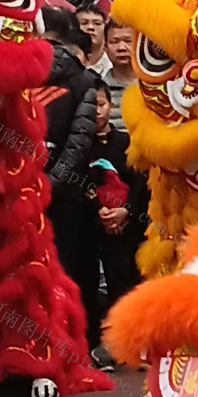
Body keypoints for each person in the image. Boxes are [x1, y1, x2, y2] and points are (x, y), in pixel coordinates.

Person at [36, 8, 99, 326]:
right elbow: (79, 142)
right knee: (61, 273)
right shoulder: (85, 80)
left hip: (17, 193)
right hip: (65, 197)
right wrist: (53, 183)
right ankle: (61, 350)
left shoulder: (13, 77)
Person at [84, 81, 148, 370]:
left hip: (125, 227)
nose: (97, 111)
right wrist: (100, 212)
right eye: (91, 105)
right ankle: (93, 347)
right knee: (86, 285)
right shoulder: (80, 144)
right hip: (90, 226)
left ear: (111, 105)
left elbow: (140, 183)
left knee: (124, 285)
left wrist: (126, 212)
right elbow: (78, 183)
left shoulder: (126, 143)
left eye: (101, 104)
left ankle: (124, 344)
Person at [104, 21, 136, 131]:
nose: (121, 47)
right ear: (105, 48)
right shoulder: (99, 89)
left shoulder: (155, 85)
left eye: (128, 41)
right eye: (114, 42)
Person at [76, 3, 113, 78]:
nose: (90, 27)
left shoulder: (113, 66)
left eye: (97, 23)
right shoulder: (63, 63)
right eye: (84, 23)